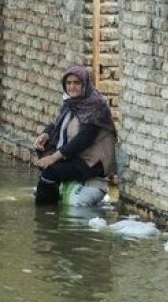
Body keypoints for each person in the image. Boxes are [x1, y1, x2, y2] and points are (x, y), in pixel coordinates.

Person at [32, 66, 117, 205]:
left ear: (85, 84)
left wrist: (54, 157)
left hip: (92, 162)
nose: (72, 87)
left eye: (76, 83)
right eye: (69, 83)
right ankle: (50, 201)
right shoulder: (71, 102)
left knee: (50, 172)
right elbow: (58, 122)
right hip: (77, 156)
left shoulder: (96, 106)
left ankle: (45, 217)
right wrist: (45, 134)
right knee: (44, 153)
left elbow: (84, 139)